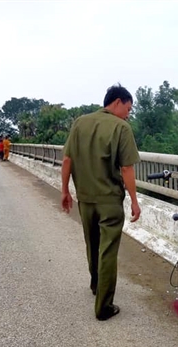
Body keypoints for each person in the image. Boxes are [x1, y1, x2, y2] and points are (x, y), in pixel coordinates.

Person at [61, 84, 141, 321]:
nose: (128, 114)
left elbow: (67, 160)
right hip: (109, 201)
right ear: (117, 102)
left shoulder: (80, 123)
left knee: (92, 244)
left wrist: (65, 190)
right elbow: (126, 167)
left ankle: (97, 285)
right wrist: (135, 201)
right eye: (128, 108)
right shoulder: (121, 128)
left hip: (85, 199)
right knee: (107, 250)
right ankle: (104, 306)